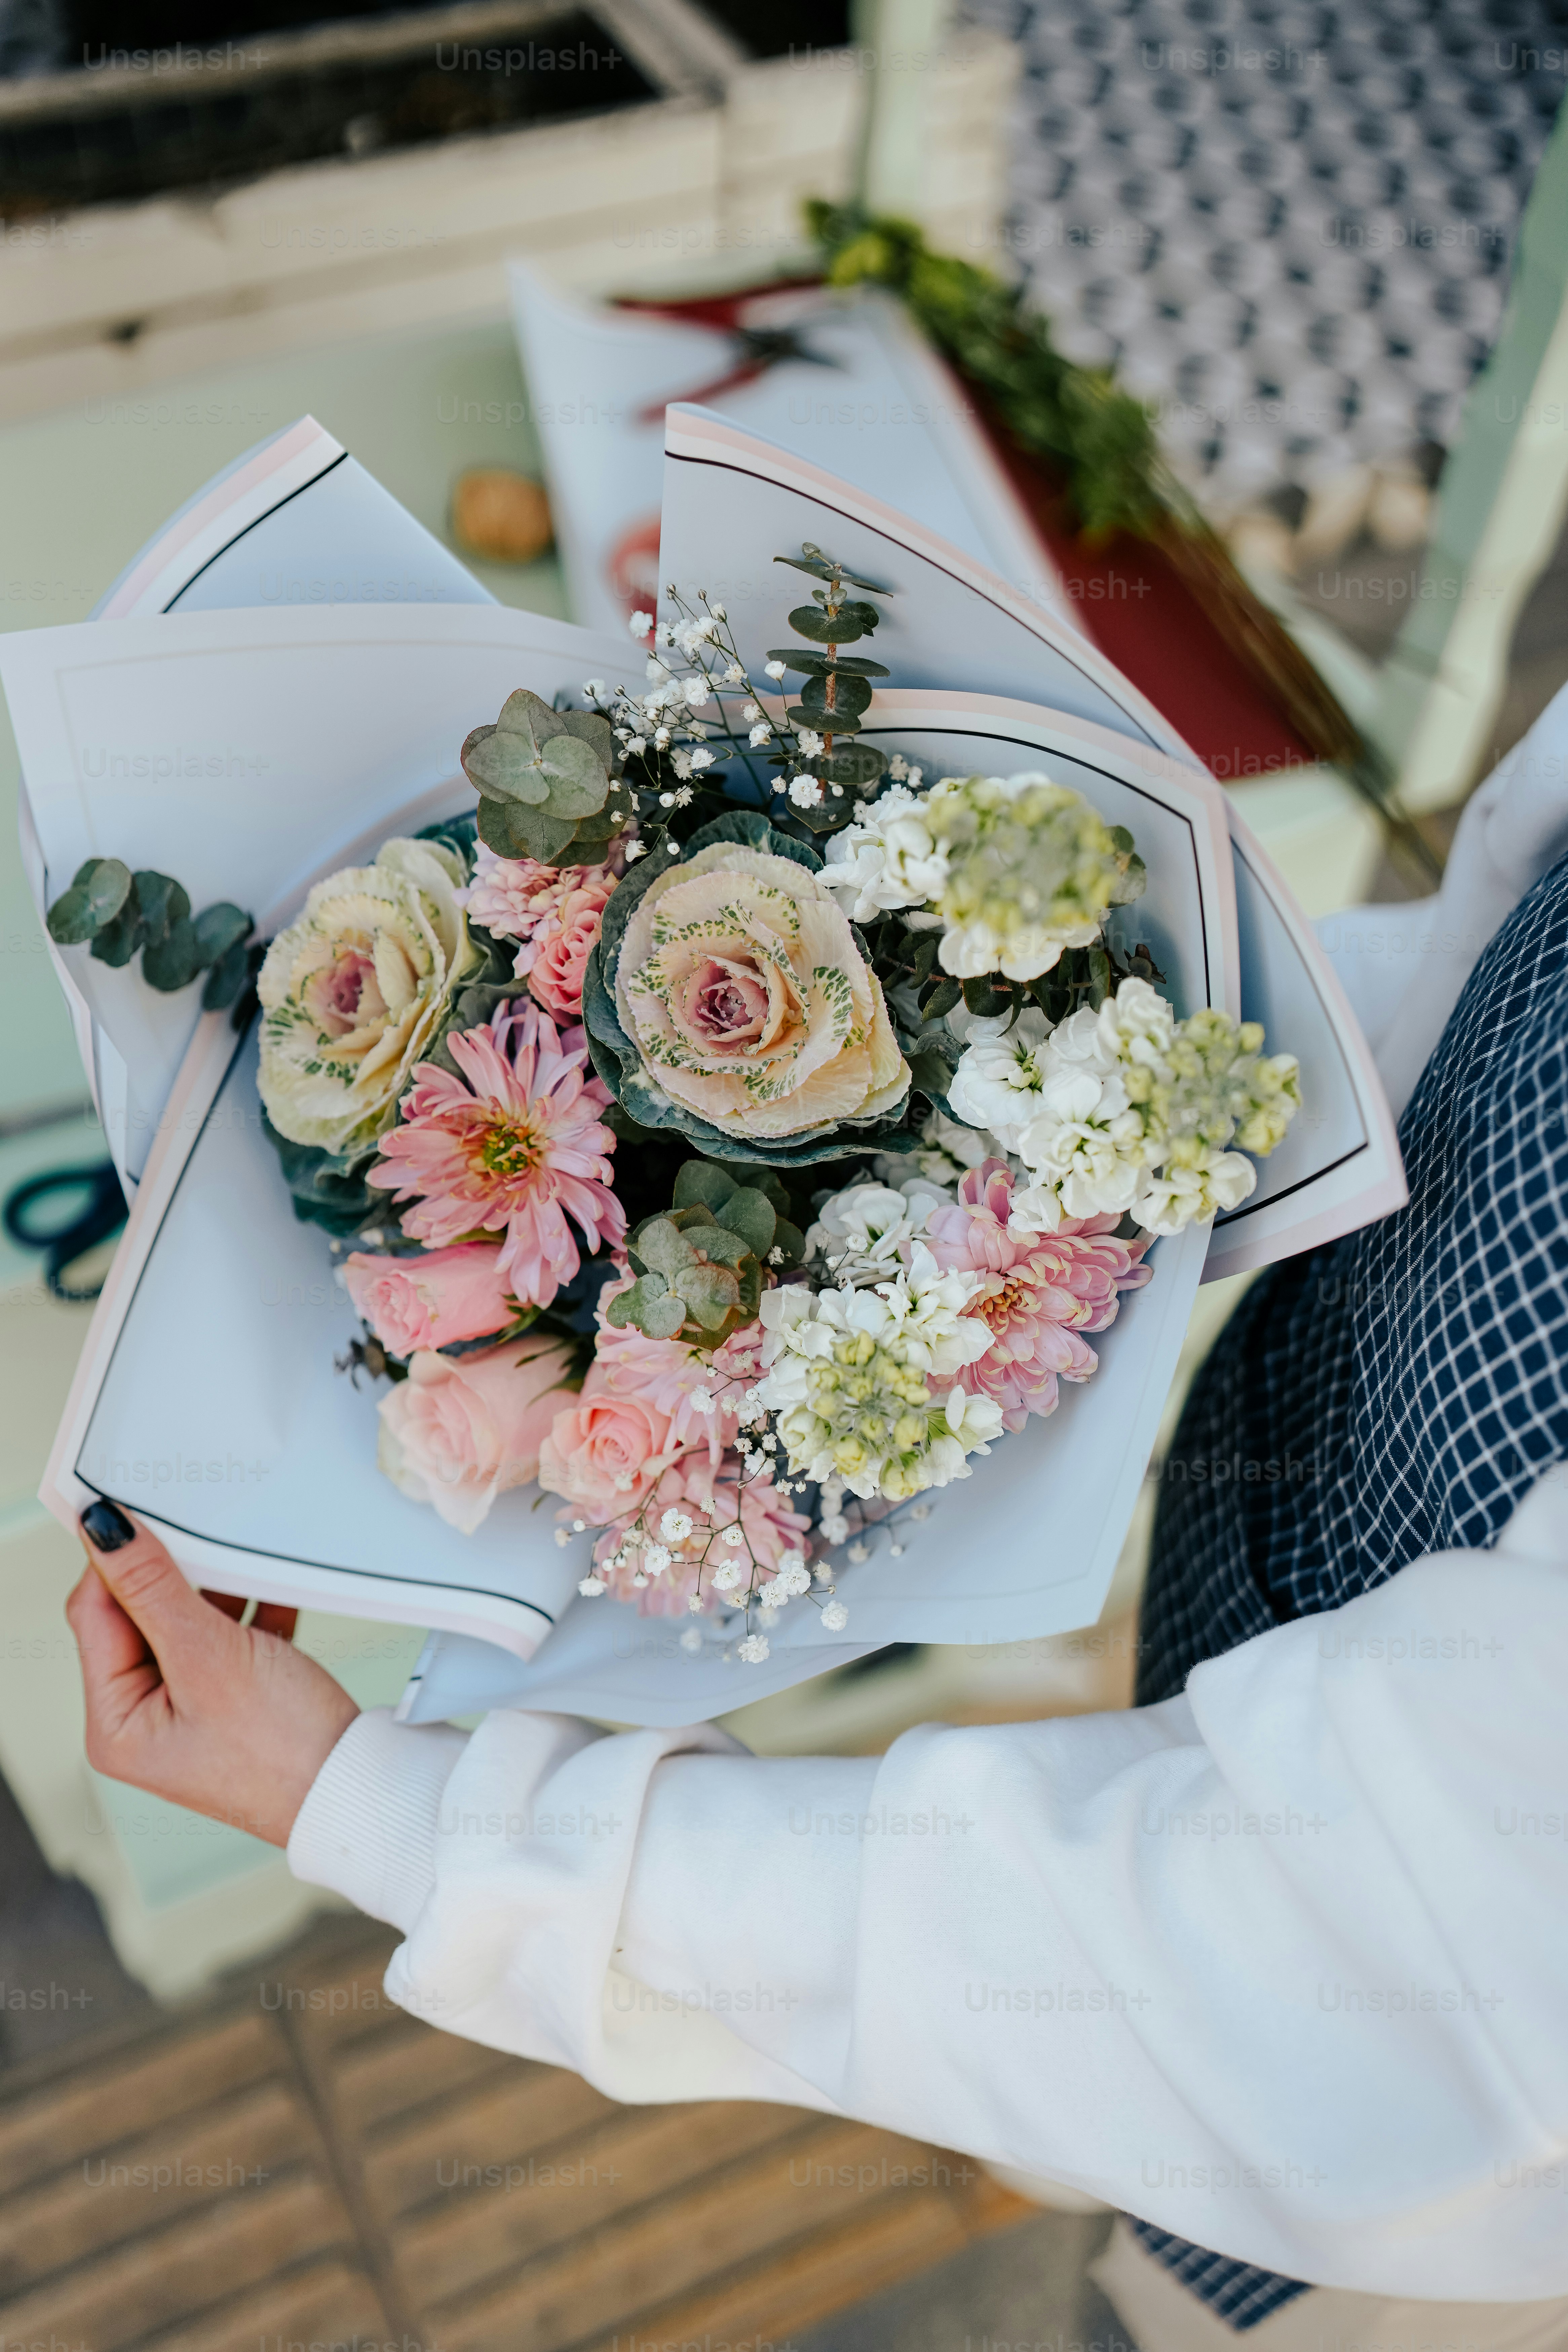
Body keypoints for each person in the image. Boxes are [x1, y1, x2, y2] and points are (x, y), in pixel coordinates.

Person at [69, 689, 1568, 2352]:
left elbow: (1262, 1962)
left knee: (1164, 2258)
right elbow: (1491, 985)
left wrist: (385, 1812)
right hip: (1243, 1559)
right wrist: (1071, 1078)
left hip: (1368, 2163)